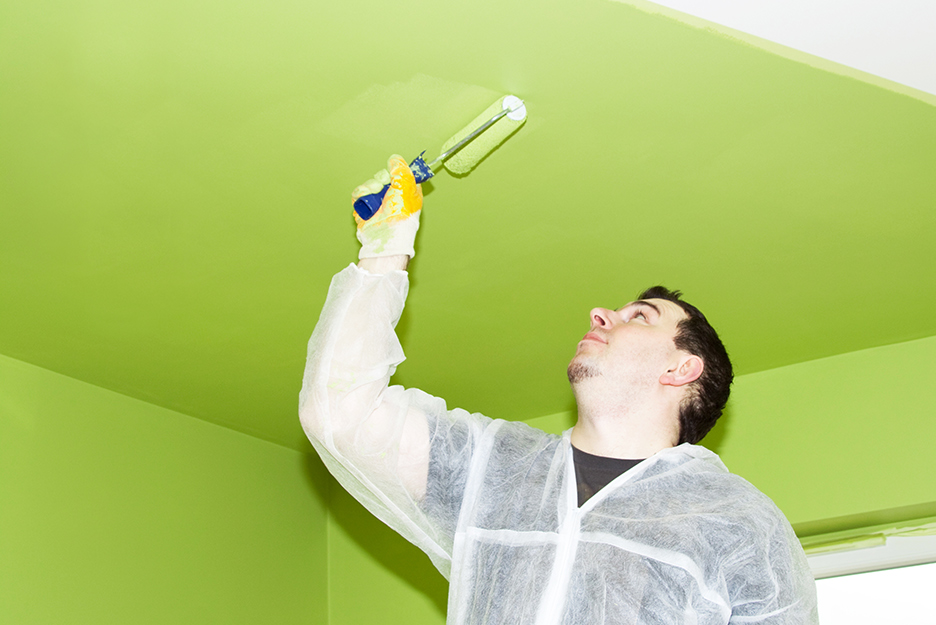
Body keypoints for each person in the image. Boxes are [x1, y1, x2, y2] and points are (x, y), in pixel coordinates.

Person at [299, 156, 818, 624]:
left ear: (682, 369)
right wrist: (384, 252)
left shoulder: (734, 522)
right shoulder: (491, 469)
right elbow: (341, 414)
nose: (601, 313)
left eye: (641, 316)